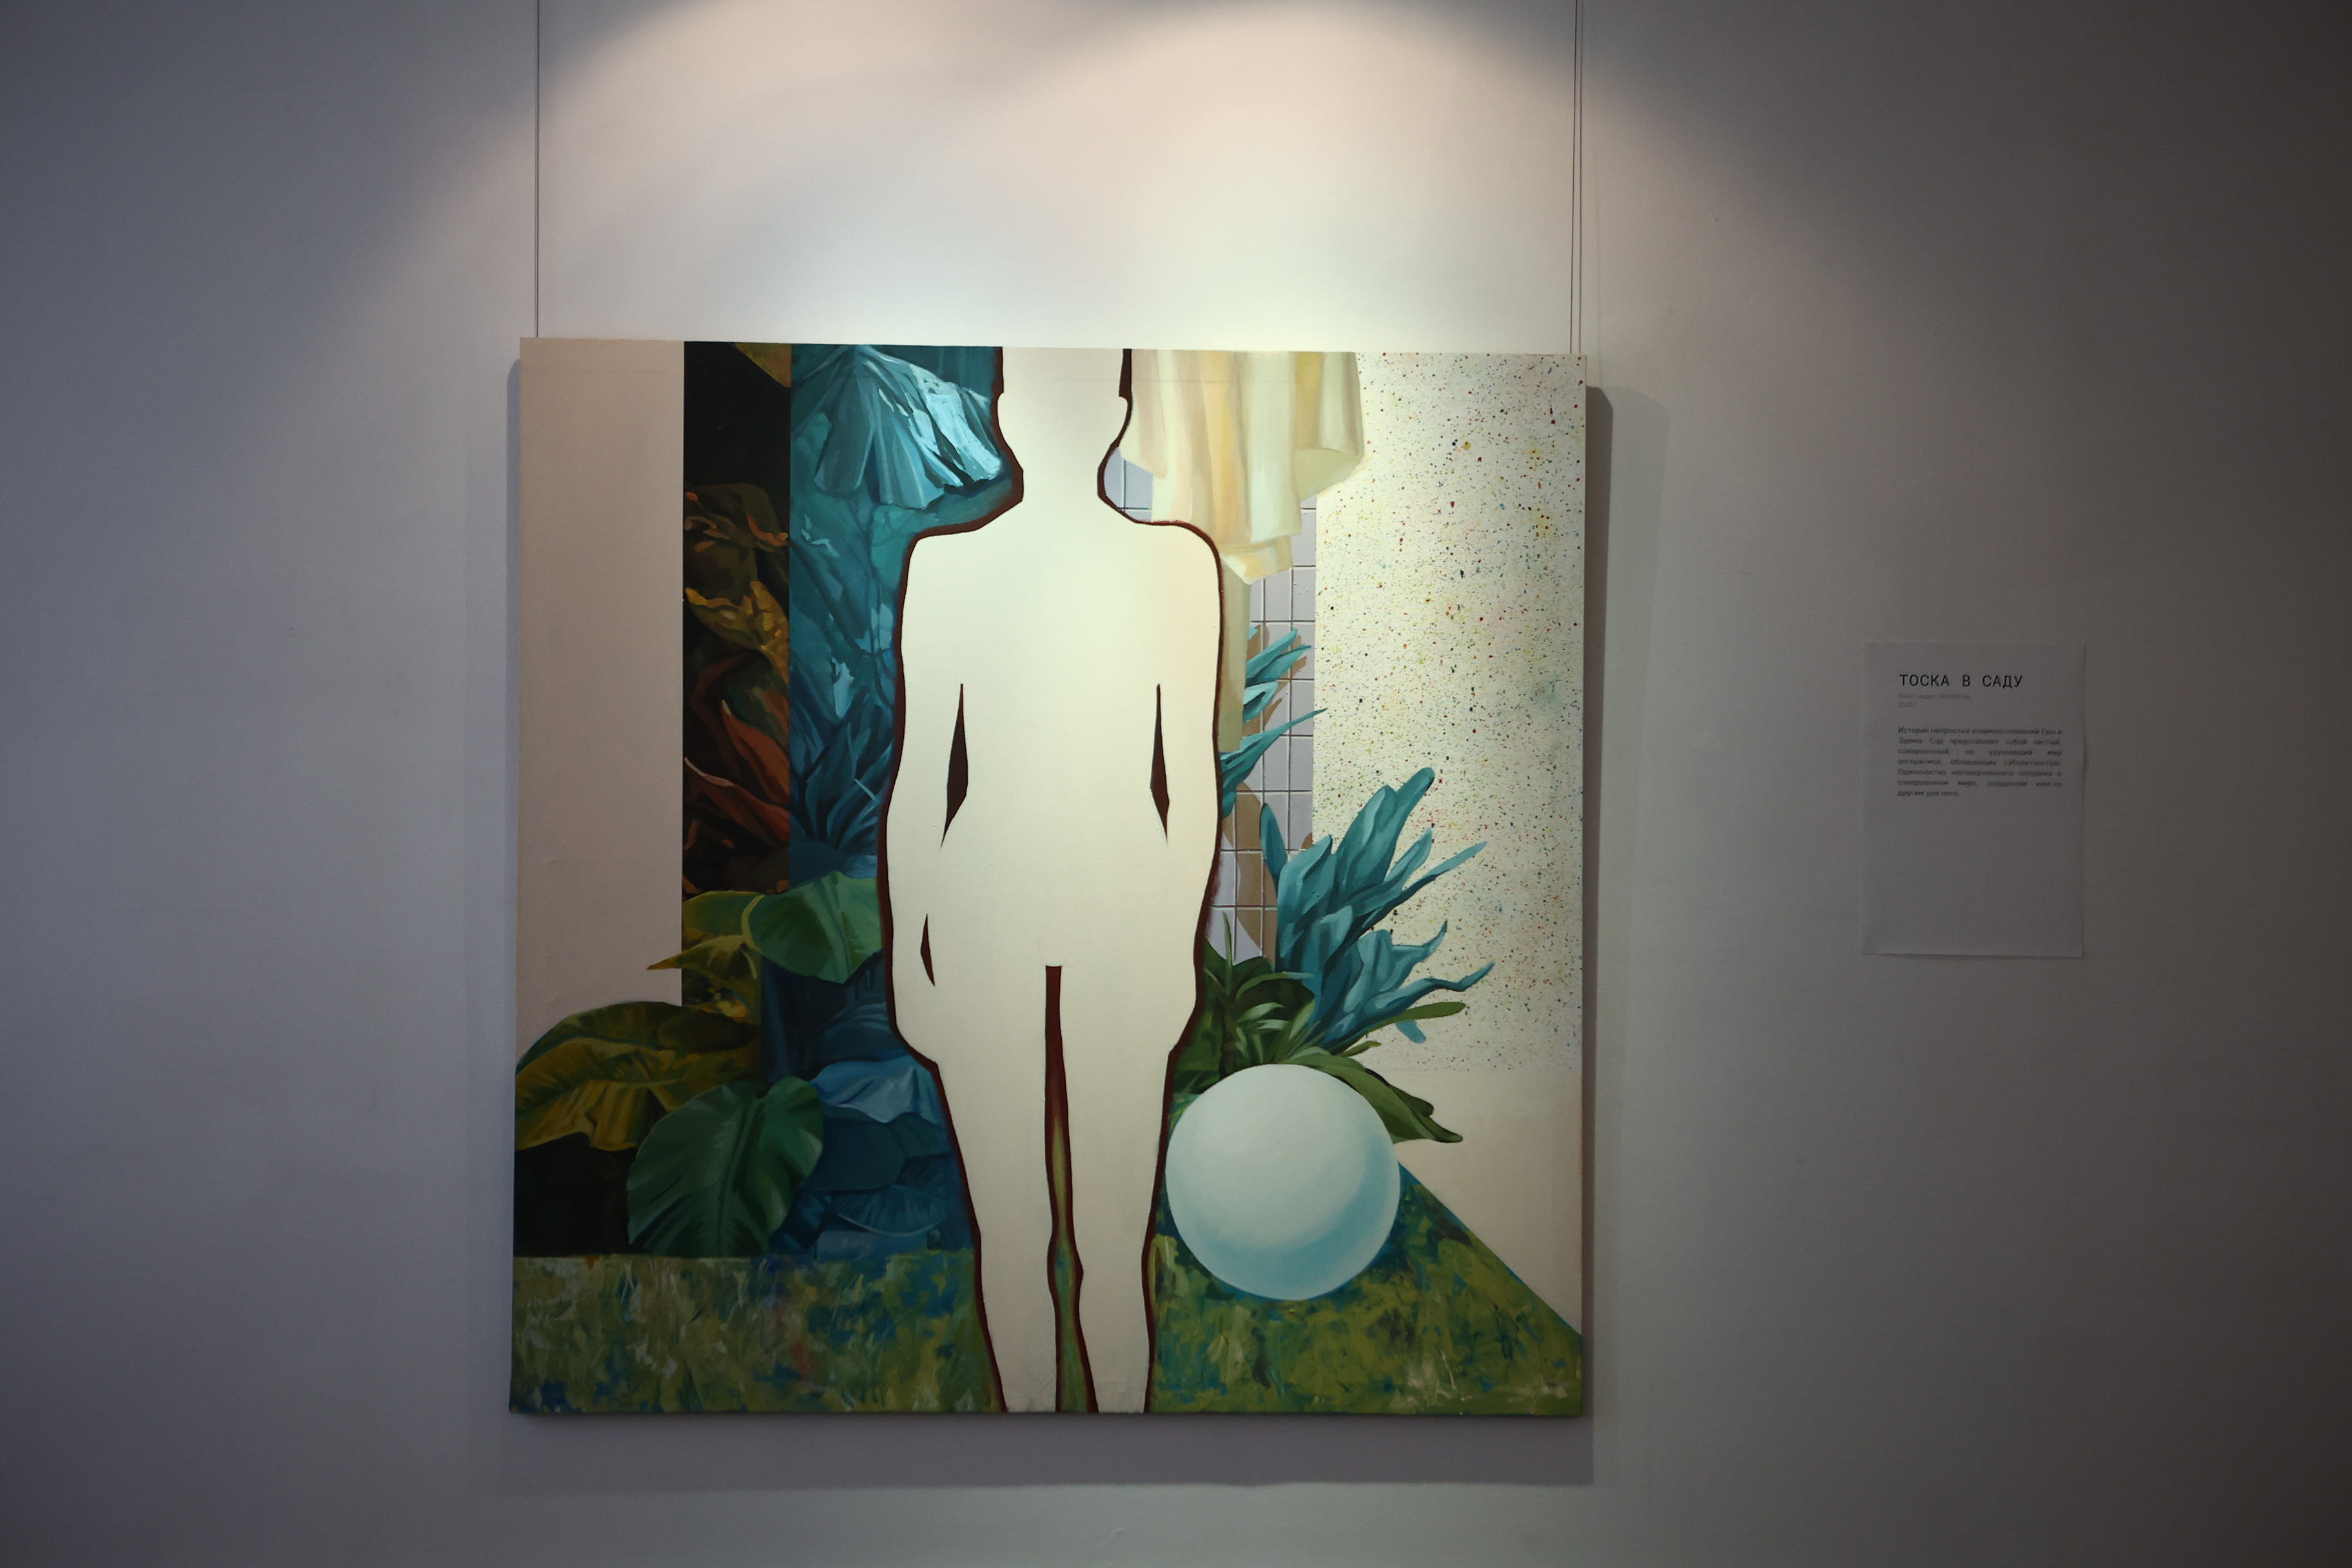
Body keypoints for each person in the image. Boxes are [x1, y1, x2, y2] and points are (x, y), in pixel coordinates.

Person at [881, 346, 1222, 1412]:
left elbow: (1192, 785)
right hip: (1001, 907)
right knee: (1023, 1234)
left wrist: (1175, 946)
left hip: (1107, 909)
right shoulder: (949, 569)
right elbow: (921, 779)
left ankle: (1104, 1446)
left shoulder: (1174, 566)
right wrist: (909, 954)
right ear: (1009, 412)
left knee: (1106, 1241)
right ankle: (1043, 1445)